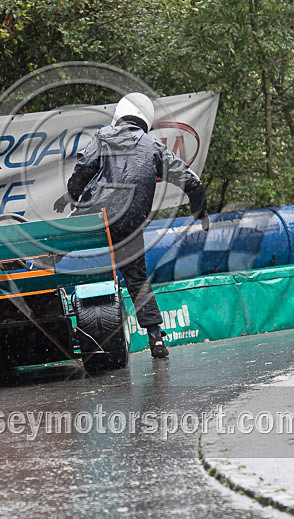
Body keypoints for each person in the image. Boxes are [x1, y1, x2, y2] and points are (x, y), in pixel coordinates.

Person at [54, 93, 209, 359]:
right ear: (145, 121)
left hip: (95, 217)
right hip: (129, 224)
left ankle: (31, 275)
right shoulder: (153, 148)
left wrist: (72, 195)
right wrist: (199, 211)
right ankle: (156, 339)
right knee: (137, 279)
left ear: (119, 115)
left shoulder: (103, 137)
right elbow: (192, 181)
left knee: (56, 248)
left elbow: (83, 170)